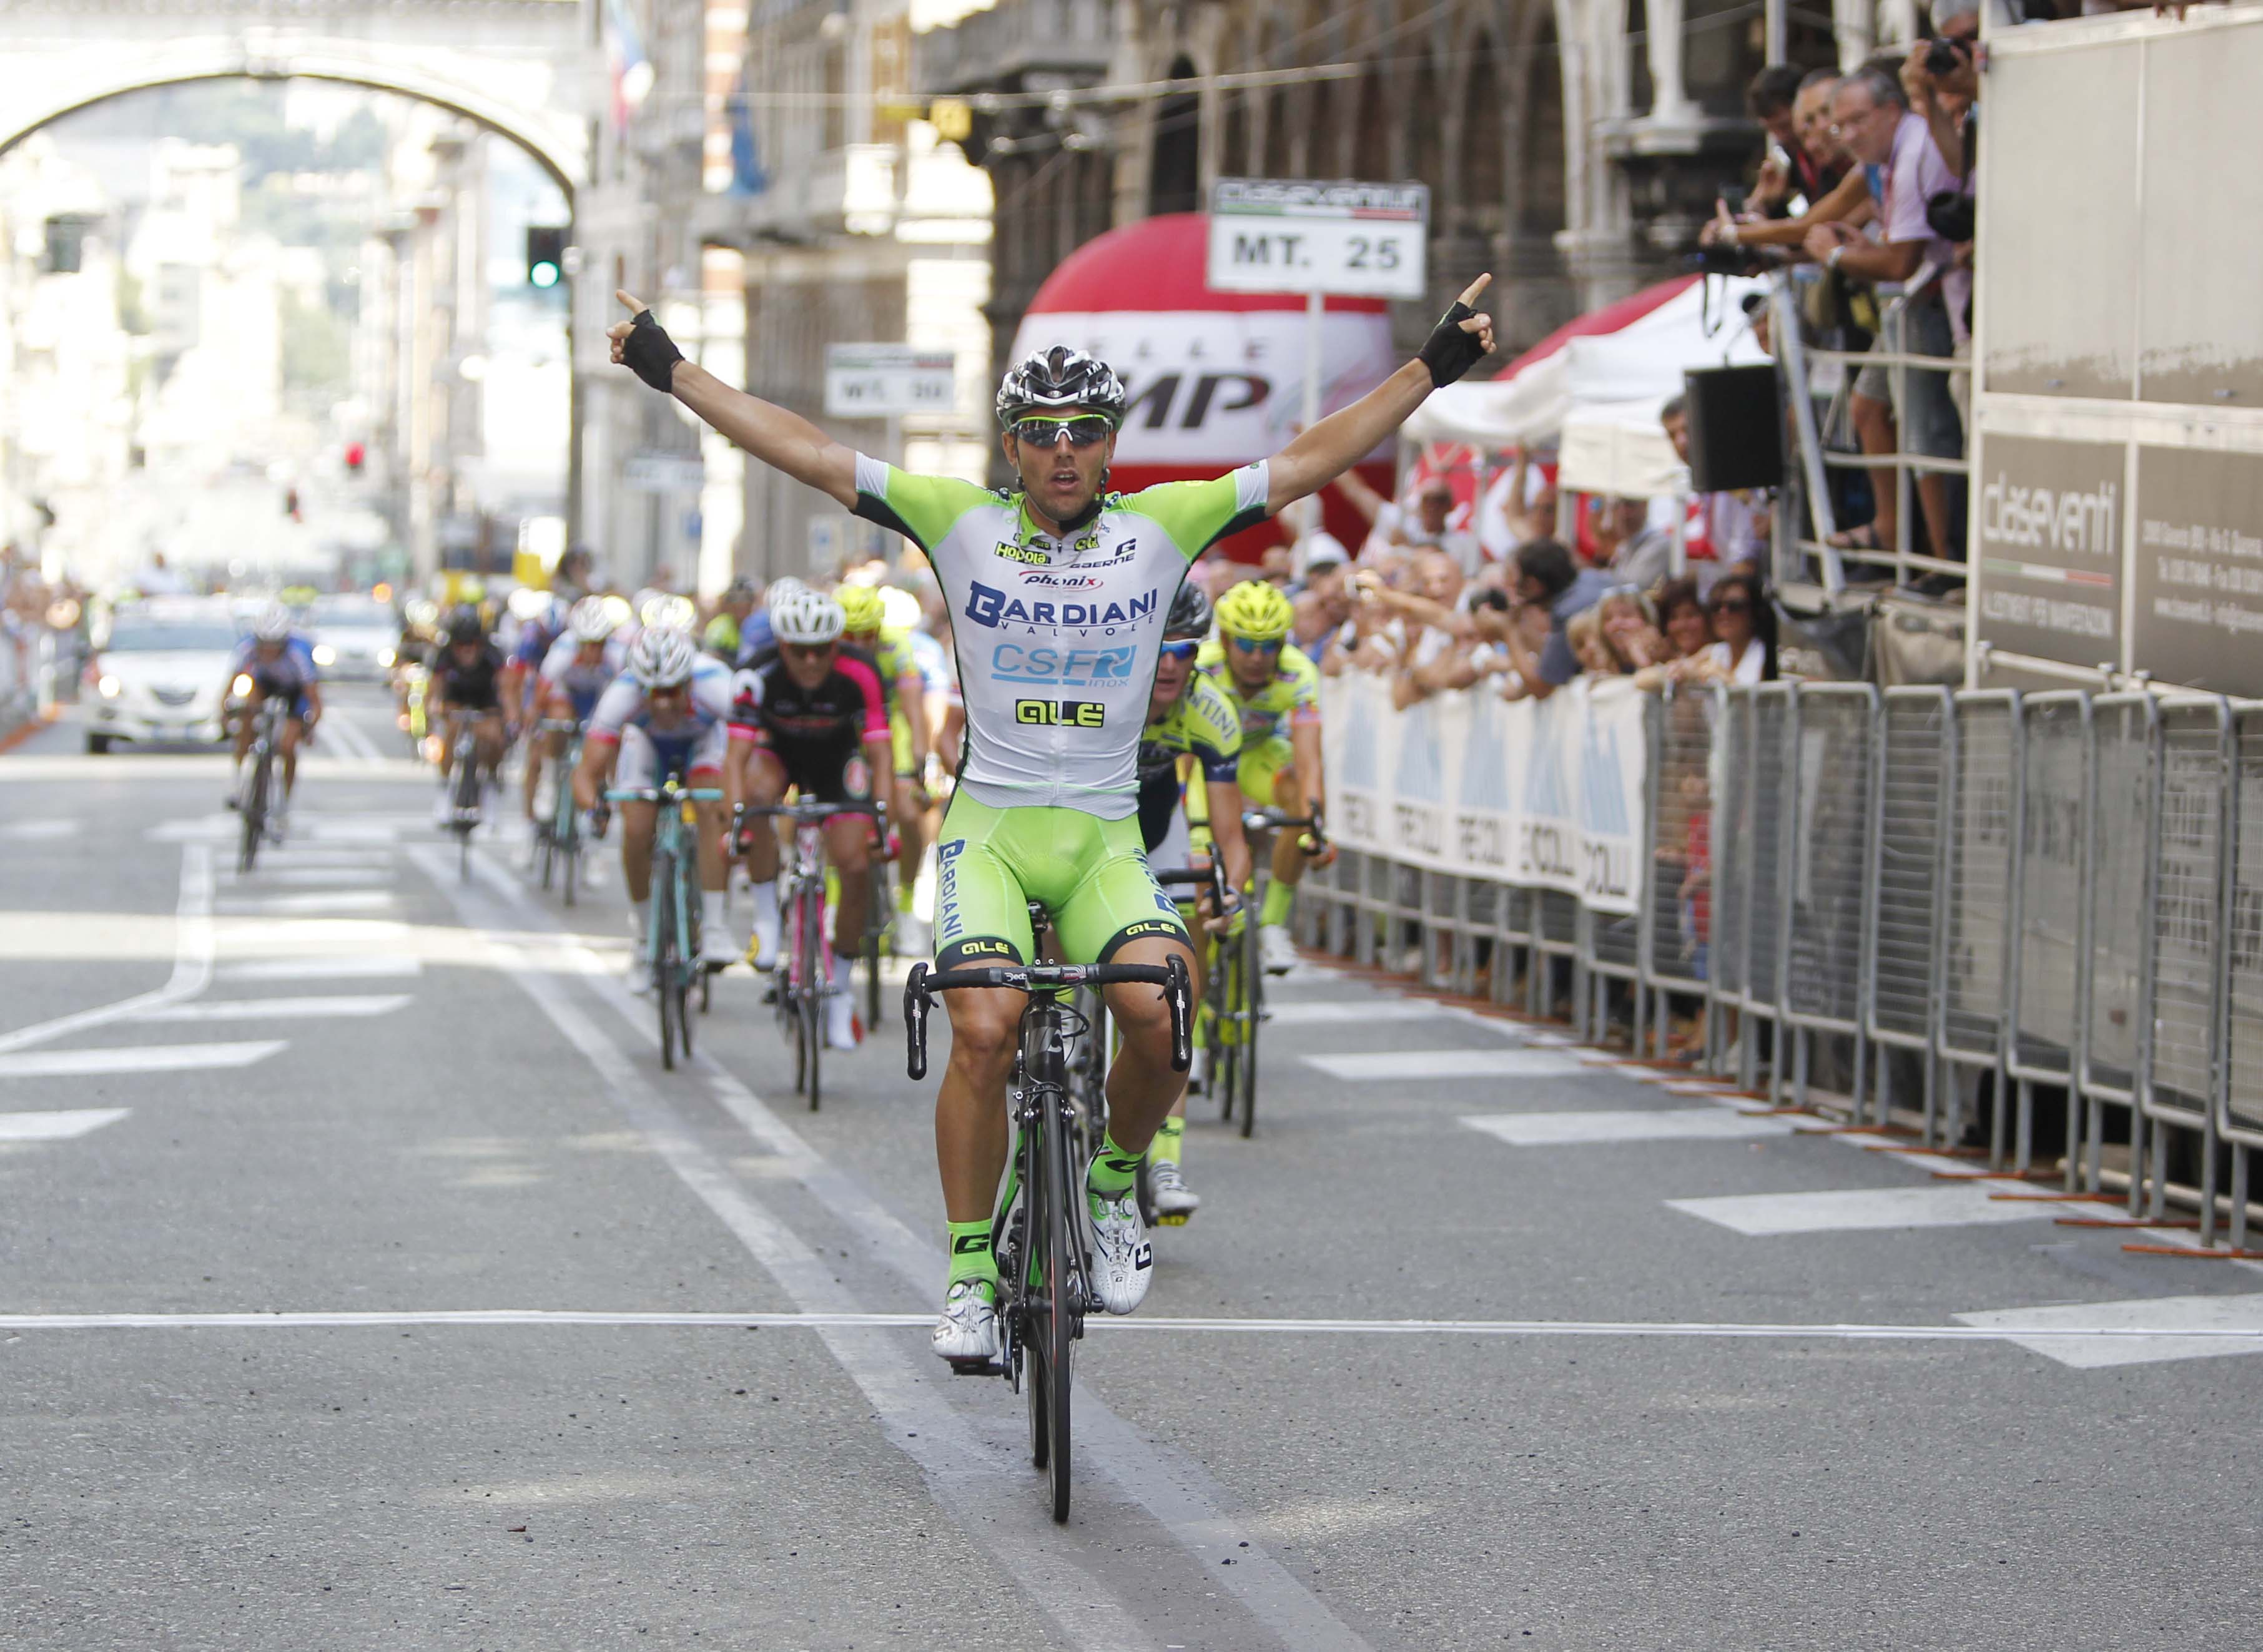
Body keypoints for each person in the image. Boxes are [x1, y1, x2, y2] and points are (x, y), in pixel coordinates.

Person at [606, 272, 1497, 1365]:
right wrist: (670, 368)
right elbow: (797, 446)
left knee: (1166, 1006)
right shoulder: (956, 521)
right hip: (989, 832)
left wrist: (1429, 367)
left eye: (1082, 432)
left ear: (1109, 444)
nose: (1062, 450)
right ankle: (973, 1271)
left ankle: (1114, 1182)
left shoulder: (1164, 526)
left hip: (1104, 845)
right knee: (981, 1029)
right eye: (1040, 433)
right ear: (1012, 446)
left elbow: (1312, 458)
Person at [723, 587, 894, 1048]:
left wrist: (884, 822)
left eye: (823, 651)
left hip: (838, 761)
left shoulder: (861, 670)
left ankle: (839, 991)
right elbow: (736, 756)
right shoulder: (757, 672)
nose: (813, 662)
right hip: (780, 756)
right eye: (800, 652)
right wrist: (738, 821)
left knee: (856, 865)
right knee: (757, 796)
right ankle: (766, 919)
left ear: (837, 646)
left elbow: (880, 753)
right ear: (782, 647)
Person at [1134, 582, 1251, 1224]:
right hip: (1088, 831)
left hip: (1159, 830)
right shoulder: (1099, 692)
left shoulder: (1212, 709)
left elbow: (1230, 833)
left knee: (1184, 971)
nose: (1173, 663)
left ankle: (1166, 1159)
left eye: (1187, 648)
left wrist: (1230, 890)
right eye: (1160, 648)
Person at [574, 625, 740, 991]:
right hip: (648, 745)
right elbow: (585, 773)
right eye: (654, 693)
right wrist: (596, 807)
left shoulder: (716, 684)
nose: (663, 703)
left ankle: (713, 926)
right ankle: (644, 940)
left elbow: (748, 748)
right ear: (640, 686)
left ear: (688, 682)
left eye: (672, 691)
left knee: (709, 805)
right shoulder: (622, 693)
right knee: (635, 830)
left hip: (704, 742)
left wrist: (735, 806)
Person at [1199, 579, 1332, 975]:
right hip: (1204, 760)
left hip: (1257, 756)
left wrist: (1316, 823)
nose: (1258, 657)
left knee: (1299, 798)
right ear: (1224, 640)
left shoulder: (1298, 673)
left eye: (1270, 645)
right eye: (1246, 644)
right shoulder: (1202, 666)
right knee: (1199, 847)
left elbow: (1310, 761)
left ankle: (1273, 922)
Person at [834, 583, 935, 956]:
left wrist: (921, 759)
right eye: (851, 636)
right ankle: (834, 900)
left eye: (868, 635)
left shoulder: (895, 645)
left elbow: (912, 706)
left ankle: (906, 906)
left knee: (909, 812)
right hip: (847, 725)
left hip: (890, 725)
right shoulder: (825, 649)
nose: (860, 644)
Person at [526, 596, 624, 824]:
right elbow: (543, 689)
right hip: (567, 694)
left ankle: (603, 791)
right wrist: (533, 716)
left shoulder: (617, 654)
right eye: (588, 644)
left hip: (599, 696)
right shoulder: (564, 648)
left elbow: (624, 697)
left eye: (599, 644)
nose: (593, 651)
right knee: (558, 719)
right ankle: (549, 779)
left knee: (607, 742)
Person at [222, 601, 323, 822]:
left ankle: (284, 803)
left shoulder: (299, 654)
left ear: (284, 641)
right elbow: (230, 685)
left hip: (295, 691)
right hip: (264, 684)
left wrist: (309, 728)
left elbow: (315, 700)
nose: (268, 651)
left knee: (287, 747)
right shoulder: (246, 648)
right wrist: (225, 712)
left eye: (274, 645)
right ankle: (239, 785)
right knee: (246, 715)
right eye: (263, 644)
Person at [1494, 539, 1609, 702]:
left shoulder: (1568, 611)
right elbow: (1553, 660)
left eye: (1516, 583)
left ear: (1533, 585)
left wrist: (1509, 631)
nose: (1513, 592)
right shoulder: (1595, 578)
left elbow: (1542, 687)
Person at [425, 606, 508, 827]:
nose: (467, 650)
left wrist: (507, 713)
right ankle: (444, 791)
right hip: (456, 699)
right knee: (451, 732)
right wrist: (433, 710)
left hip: (485, 702)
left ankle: (489, 791)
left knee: (493, 738)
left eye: (472, 644)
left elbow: (505, 687)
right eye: (461, 645)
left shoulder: (493, 655)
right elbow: (434, 689)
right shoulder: (443, 656)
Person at [703, 576, 759, 659]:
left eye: (745, 602)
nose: (741, 606)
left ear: (751, 605)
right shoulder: (717, 627)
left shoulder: (760, 625)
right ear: (729, 606)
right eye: (736, 602)